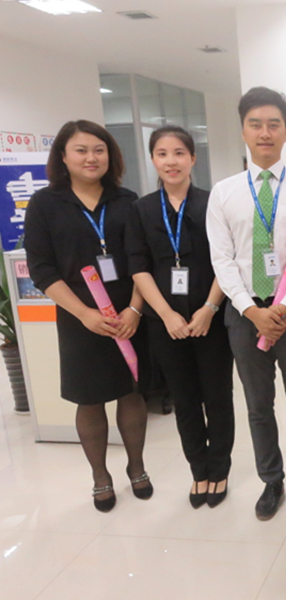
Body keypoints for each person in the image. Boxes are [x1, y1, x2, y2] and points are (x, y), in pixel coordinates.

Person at [207, 87, 286, 521]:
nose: (265, 133)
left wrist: (284, 307)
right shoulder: (223, 193)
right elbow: (222, 260)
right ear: (243, 130)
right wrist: (252, 310)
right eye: (255, 124)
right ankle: (271, 480)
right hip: (244, 314)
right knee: (258, 405)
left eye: (273, 124)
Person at [25, 120, 152, 512]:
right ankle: (100, 476)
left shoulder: (127, 200)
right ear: (63, 156)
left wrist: (135, 309)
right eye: (80, 150)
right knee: (90, 398)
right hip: (79, 318)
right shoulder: (44, 204)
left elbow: (141, 260)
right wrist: (84, 314)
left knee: (132, 391)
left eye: (99, 149)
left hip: (129, 314)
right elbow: (42, 269)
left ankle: (136, 466)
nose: (91, 157)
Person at [126, 126, 234, 509]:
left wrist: (209, 308)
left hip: (211, 317)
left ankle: (219, 468)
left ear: (192, 158)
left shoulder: (213, 202)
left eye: (178, 153)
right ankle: (198, 470)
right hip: (165, 322)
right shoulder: (141, 209)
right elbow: (138, 267)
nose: (170, 161)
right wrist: (166, 314)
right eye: (162, 153)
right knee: (185, 400)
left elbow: (227, 260)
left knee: (217, 397)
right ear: (152, 159)